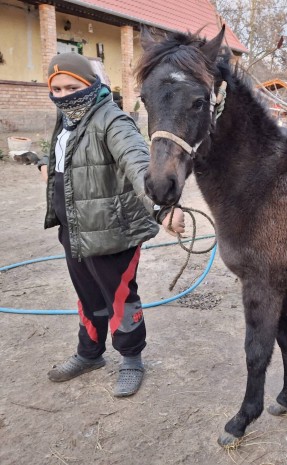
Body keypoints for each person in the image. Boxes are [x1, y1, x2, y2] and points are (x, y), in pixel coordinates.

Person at [38, 52, 185, 397]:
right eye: (56, 88)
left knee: (120, 298)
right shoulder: (66, 120)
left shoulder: (113, 121)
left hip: (113, 232)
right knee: (87, 297)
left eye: (71, 87)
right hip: (74, 228)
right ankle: (89, 354)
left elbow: (137, 163)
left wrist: (162, 208)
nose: (62, 95)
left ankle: (132, 360)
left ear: (90, 84)